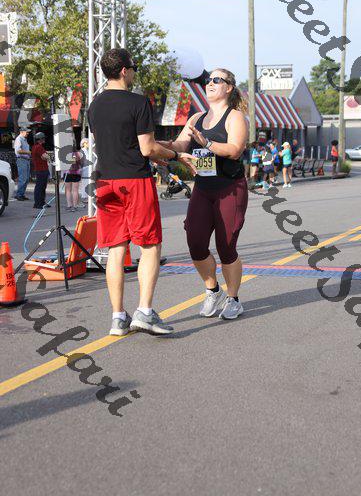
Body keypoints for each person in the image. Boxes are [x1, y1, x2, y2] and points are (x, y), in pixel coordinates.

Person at [87, 48, 195, 336]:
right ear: (124, 70)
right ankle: (145, 312)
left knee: (116, 249)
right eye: (133, 67)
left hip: (106, 181)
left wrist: (156, 155)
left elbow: (116, 144)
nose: (134, 72)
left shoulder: (94, 105)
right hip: (135, 181)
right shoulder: (138, 102)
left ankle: (117, 318)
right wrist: (175, 156)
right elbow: (146, 148)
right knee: (149, 245)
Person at [165, 68, 249, 320]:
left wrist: (207, 144)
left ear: (229, 87)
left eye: (216, 80)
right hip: (203, 188)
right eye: (208, 80)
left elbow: (235, 149)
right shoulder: (196, 118)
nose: (210, 83)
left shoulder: (235, 117)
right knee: (196, 242)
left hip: (230, 188)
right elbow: (181, 144)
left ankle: (233, 299)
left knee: (226, 247)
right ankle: (213, 290)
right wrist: (159, 145)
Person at [31, 132, 50, 209]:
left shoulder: (34, 147)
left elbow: (43, 157)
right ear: (40, 139)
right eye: (43, 138)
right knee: (40, 187)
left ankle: (41, 202)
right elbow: (45, 156)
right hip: (42, 169)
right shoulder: (39, 147)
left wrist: (45, 157)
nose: (44, 139)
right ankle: (38, 203)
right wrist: (48, 156)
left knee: (40, 187)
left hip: (39, 169)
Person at [14, 126, 31, 201]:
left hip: (25, 160)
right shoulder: (19, 139)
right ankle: (19, 195)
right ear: (22, 132)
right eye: (26, 132)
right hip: (21, 160)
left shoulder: (24, 139)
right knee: (23, 178)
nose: (28, 133)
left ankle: (21, 194)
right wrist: (28, 152)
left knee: (26, 179)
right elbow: (18, 151)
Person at [64, 145, 82, 212]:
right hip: (76, 173)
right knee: (75, 190)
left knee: (68, 190)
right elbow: (80, 163)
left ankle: (69, 205)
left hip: (67, 173)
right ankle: (75, 206)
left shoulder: (65, 153)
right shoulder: (77, 154)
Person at [79, 137, 90, 204]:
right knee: (85, 183)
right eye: (87, 142)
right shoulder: (81, 151)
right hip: (84, 169)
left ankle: (89, 197)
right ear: (84, 143)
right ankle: (85, 197)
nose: (89, 144)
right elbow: (80, 161)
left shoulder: (89, 150)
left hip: (89, 168)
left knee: (89, 182)